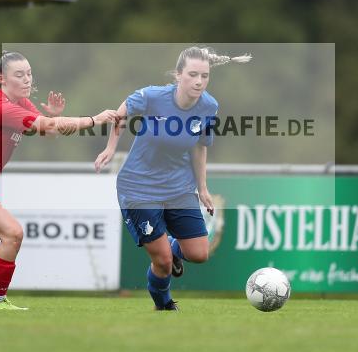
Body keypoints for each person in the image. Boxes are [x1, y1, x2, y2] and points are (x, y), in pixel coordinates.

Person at [0, 51, 117, 310]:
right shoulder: (0, 107)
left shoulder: (21, 105)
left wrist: (52, 117)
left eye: (29, 73)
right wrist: (94, 120)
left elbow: (47, 132)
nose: (27, 79)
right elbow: (50, 128)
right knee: (12, 233)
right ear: (1, 79)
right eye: (19, 75)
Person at [94, 47, 251, 311]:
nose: (199, 81)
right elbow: (121, 113)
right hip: (139, 189)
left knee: (199, 254)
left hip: (179, 187)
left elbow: (200, 146)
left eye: (204, 75)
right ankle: (164, 305)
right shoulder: (153, 96)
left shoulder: (209, 106)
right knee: (164, 261)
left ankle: (170, 246)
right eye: (192, 75)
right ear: (178, 75)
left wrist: (202, 188)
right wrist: (111, 147)